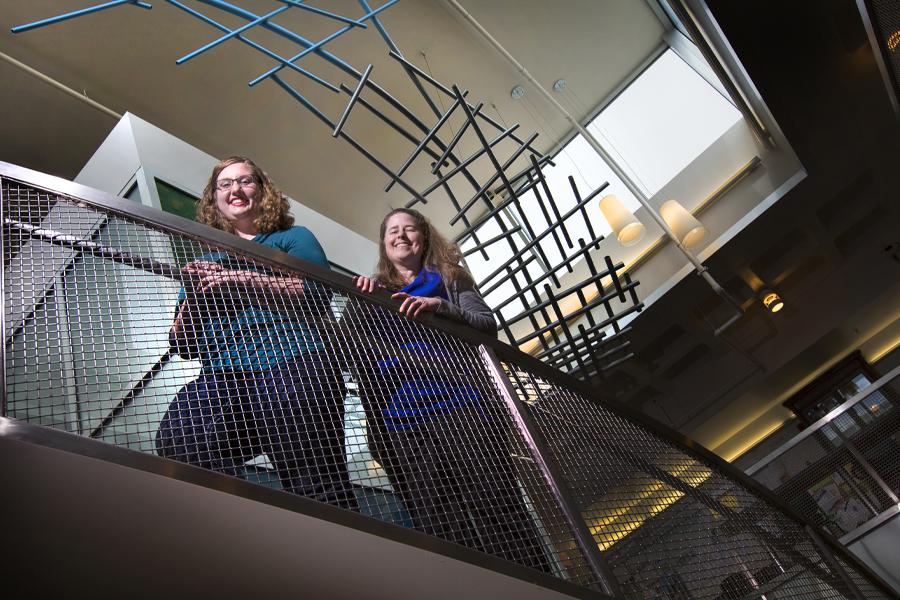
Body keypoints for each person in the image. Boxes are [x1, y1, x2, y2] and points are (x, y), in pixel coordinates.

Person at [350, 208, 552, 573]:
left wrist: (440, 306)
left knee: (494, 501)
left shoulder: (448, 277)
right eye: (392, 231)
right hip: (404, 422)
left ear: (424, 238)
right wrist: (357, 304)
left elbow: (485, 326)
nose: (401, 235)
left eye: (409, 229)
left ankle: (534, 583)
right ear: (383, 243)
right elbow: (351, 353)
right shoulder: (375, 292)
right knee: (439, 523)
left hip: (462, 405)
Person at [155, 156, 356, 511]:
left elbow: (315, 290)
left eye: (246, 181)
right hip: (224, 372)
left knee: (314, 479)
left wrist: (238, 279)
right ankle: (249, 527)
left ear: (263, 191)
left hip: (294, 360)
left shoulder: (292, 238)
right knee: (179, 439)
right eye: (225, 184)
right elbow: (182, 343)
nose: (236, 189)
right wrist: (193, 299)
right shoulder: (208, 262)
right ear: (214, 199)